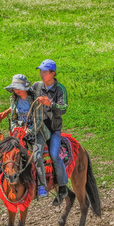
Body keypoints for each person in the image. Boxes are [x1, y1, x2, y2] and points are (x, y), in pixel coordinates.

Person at [0, 74, 50, 198]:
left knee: (37, 156)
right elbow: (13, 118)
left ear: (25, 88)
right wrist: (15, 128)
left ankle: (42, 185)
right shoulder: (14, 99)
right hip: (18, 132)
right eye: (15, 88)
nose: (16, 90)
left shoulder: (36, 100)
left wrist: (28, 131)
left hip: (36, 132)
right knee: (4, 154)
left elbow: (38, 121)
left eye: (18, 87)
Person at [31, 59, 69, 206]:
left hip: (53, 130)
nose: (41, 74)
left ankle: (63, 187)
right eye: (40, 71)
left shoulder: (60, 89)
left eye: (44, 72)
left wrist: (50, 104)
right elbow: (25, 97)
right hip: (38, 129)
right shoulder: (37, 86)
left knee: (54, 155)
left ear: (52, 73)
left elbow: (63, 108)